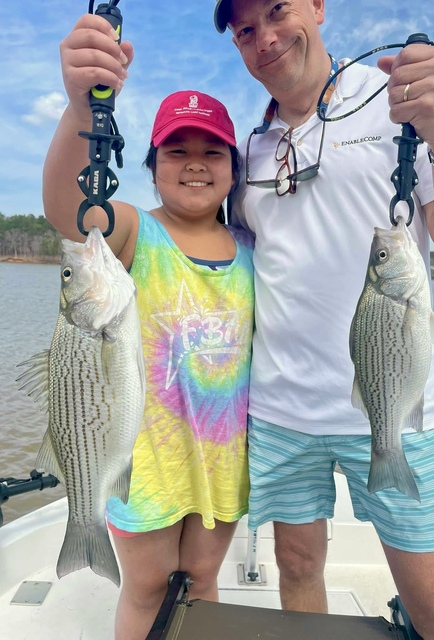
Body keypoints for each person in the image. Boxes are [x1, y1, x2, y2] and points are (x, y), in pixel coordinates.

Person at [213, 1, 434, 639]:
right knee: (296, 564)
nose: (266, 38)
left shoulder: (398, 105)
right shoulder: (248, 151)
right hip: (280, 409)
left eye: (278, 10)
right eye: (246, 31)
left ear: (318, 7)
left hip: (400, 401)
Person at [42, 14, 254, 640]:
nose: (195, 164)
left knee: (203, 584)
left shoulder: (248, 244)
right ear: (152, 164)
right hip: (141, 455)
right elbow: (65, 208)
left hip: (220, 456)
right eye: (177, 151)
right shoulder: (133, 231)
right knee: (146, 588)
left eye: (211, 151)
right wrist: (81, 109)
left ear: (234, 169)